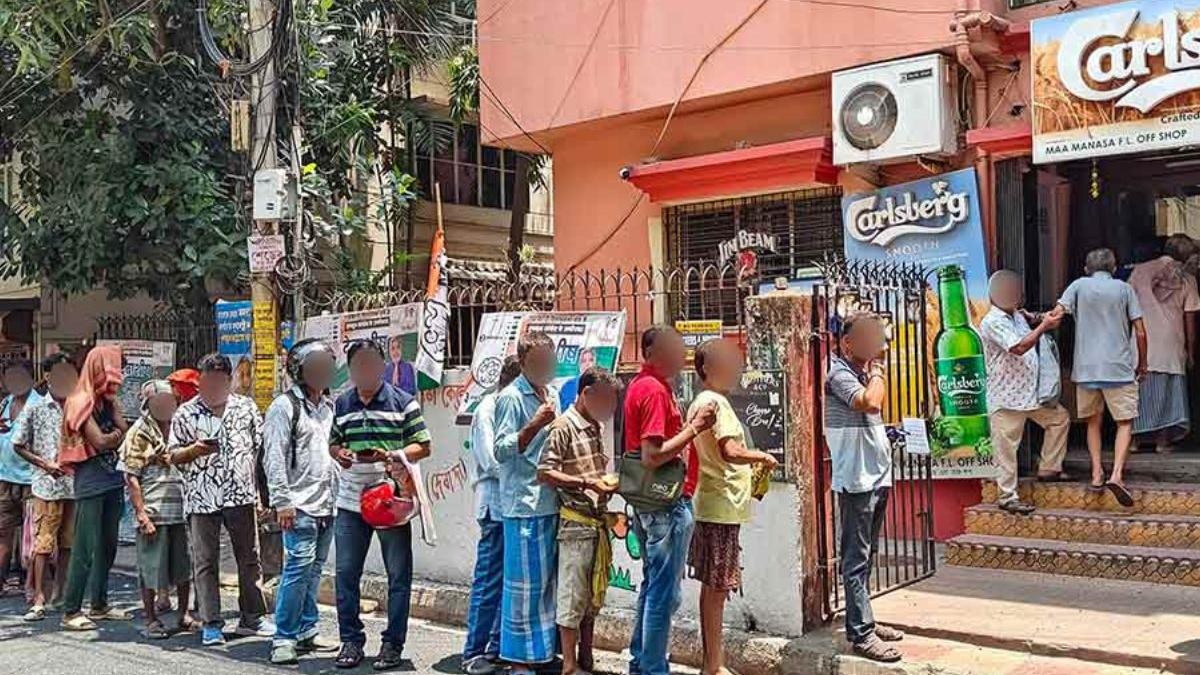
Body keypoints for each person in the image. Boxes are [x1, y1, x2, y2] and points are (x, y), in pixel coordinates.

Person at [329, 340, 432, 671]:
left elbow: (423, 445)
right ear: (353, 368)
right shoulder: (342, 403)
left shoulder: (403, 401)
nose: (366, 372)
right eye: (359, 366)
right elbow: (334, 443)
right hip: (350, 500)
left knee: (398, 576)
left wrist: (393, 456)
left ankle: (392, 645)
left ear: (381, 366)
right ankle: (350, 641)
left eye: (372, 365)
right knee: (346, 574)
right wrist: (340, 454)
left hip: (390, 498)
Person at [624, 326, 716, 675]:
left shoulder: (647, 386)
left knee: (654, 587)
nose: (683, 356)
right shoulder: (653, 391)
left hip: (652, 503)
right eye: (676, 349)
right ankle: (651, 667)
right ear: (655, 352)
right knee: (664, 594)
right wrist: (694, 429)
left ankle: (643, 661)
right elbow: (652, 455)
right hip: (665, 505)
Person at [168, 352, 272, 646]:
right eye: (206, 381)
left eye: (219, 382)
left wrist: (261, 496)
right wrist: (195, 451)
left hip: (241, 496)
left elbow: (258, 452)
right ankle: (211, 622)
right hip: (202, 499)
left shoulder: (245, 408)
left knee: (249, 558)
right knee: (205, 561)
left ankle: (252, 617)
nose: (212, 387)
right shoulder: (186, 413)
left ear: (229, 381)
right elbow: (172, 455)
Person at [687, 339, 777, 675]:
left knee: (714, 586)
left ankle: (713, 663)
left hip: (716, 503)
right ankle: (713, 665)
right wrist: (763, 456)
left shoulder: (703, 400)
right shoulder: (715, 403)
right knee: (717, 587)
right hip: (720, 504)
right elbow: (731, 450)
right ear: (707, 367)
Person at [824, 312, 902, 663]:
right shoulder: (838, 371)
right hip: (855, 477)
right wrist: (878, 370)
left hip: (876, 473)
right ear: (847, 342)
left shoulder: (863, 373)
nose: (877, 343)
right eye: (869, 337)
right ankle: (861, 634)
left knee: (867, 554)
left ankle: (864, 618)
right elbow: (870, 401)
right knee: (855, 557)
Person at [538, 367, 623, 675]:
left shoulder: (593, 427)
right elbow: (545, 472)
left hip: (595, 520)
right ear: (587, 394)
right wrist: (588, 483)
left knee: (591, 596)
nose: (609, 409)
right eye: (605, 401)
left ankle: (586, 658)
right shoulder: (563, 427)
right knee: (572, 597)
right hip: (574, 522)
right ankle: (570, 666)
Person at [262, 339, 339, 665]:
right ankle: (284, 636)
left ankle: (307, 629)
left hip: (327, 503)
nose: (324, 372)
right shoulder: (284, 407)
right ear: (299, 370)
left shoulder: (329, 406)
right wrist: (282, 501)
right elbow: (273, 457)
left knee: (313, 571)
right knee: (296, 570)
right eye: (316, 366)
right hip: (298, 503)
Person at [493, 332, 562, 675]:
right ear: (523, 364)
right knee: (522, 589)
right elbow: (501, 451)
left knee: (545, 585)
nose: (544, 368)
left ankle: (540, 653)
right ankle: (518, 661)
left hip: (550, 500)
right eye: (537, 363)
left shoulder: (551, 394)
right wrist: (535, 425)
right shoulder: (511, 398)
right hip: (523, 504)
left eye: (548, 361)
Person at [1056, 248, 1148, 507]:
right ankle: (1117, 475)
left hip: (1086, 369)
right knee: (1124, 422)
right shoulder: (1124, 289)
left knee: (1092, 423)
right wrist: (1143, 363)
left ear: (1086, 268)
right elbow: (1140, 332)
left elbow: (1057, 314)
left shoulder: (1078, 285)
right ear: (1115, 267)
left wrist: (1032, 321)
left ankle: (1097, 474)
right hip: (1119, 367)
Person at [979, 271, 1071, 515]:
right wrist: (1044, 326)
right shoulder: (992, 321)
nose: (1010, 295)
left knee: (1059, 419)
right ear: (993, 294)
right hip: (1006, 397)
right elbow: (1018, 347)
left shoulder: (1018, 315)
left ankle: (1049, 468)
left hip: (1030, 395)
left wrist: (1049, 316)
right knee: (1006, 449)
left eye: (1014, 291)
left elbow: (1039, 318)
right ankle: (1007, 496)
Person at [57, 345, 130, 631]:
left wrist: (114, 434)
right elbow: (101, 441)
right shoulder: (80, 400)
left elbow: (122, 432)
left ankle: (99, 605)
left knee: (107, 546)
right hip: (90, 482)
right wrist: (115, 435)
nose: (117, 376)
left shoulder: (107, 401)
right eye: (113, 368)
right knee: (84, 547)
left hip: (112, 478)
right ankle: (71, 610)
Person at [461, 355, 522, 675]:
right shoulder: (488, 409)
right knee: (489, 579)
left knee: (511, 581)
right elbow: (491, 460)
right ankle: (474, 650)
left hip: (515, 506)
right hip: (496, 505)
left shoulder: (515, 406)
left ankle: (496, 646)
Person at [120, 380, 194, 639]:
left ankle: (184, 614)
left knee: (184, 567)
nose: (165, 406)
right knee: (151, 569)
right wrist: (141, 513)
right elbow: (131, 476)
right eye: (158, 402)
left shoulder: (181, 428)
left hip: (183, 508)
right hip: (154, 509)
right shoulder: (139, 432)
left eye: (169, 401)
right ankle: (151, 618)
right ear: (147, 405)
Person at [11, 353, 76, 621]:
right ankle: (38, 597)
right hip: (45, 486)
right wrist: (45, 464)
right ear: (48, 376)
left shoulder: (77, 405)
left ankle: (62, 594)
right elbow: (18, 444)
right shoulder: (36, 407)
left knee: (69, 543)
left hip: (73, 484)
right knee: (43, 544)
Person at [1128, 234, 1200, 454]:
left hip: (1142, 340)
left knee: (1139, 392)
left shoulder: (1139, 271)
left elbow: (1126, 305)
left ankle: (1133, 441)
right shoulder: (1188, 279)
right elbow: (1190, 320)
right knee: (1168, 393)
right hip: (1171, 342)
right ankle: (1162, 441)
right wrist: (1190, 350)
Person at [0, 359, 42, 594]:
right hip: (5, 479)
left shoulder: (40, 405)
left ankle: (32, 585)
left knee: (33, 537)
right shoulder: (5, 403)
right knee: (3, 533)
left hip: (32, 480)